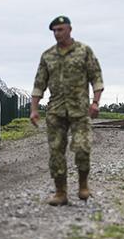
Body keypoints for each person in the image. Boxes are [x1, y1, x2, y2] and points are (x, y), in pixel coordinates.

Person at [30, 16, 104, 206]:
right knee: (56, 152)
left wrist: (95, 102)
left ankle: (83, 185)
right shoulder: (47, 56)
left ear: (70, 29)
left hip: (80, 110)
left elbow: (96, 78)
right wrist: (34, 109)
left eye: (60, 29)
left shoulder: (84, 51)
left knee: (82, 148)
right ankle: (60, 192)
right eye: (54, 31)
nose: (57, 34)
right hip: (56, 111)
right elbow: (39, 84)